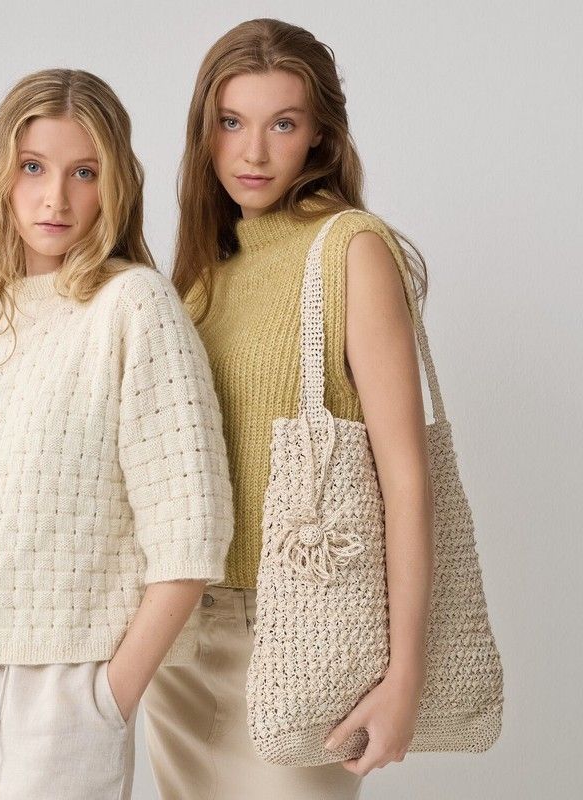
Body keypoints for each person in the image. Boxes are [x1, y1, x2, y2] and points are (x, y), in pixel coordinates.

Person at [0, 67, 233, 800]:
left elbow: (192, 532)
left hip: (62, 691)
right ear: (0, 178)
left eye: (83, 172)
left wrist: (104, 701)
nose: (55, 197)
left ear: (114, 185)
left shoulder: (133, 307)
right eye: (33, 167)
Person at [142, 18, 435, 800]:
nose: (253, 152)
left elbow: (406, 477)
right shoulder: (202, 270)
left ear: (320, 136)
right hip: (179, 637)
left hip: (299, 636)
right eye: (231, 122)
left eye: (282, 124)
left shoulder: (350, 249)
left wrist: (404, 676)